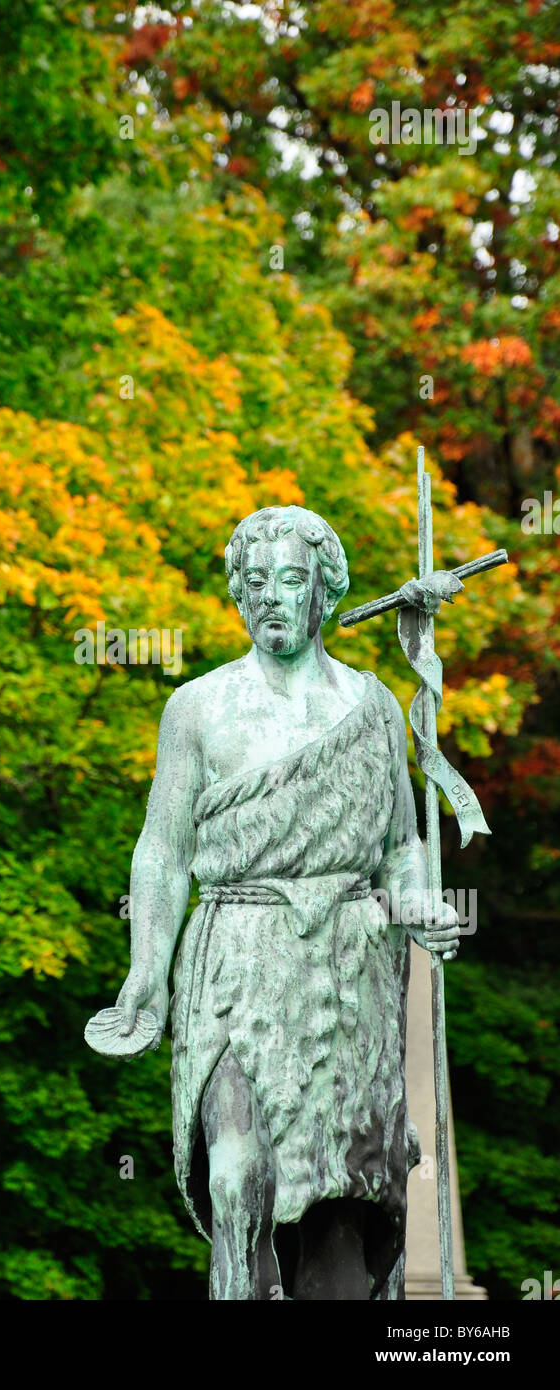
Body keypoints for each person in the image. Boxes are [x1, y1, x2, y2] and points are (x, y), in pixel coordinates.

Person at [115, 505, 459, 1300]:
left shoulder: (370, 709)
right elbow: (162, 851)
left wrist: (419, 905)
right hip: (235, 956)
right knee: (237, 1174)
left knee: (341, 1207)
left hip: (348, 973)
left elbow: (399, 849)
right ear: (237, 594)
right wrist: (146, 973)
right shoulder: (197, 709)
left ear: (322, 593)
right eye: (256, 582)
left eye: (291, 581)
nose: (271, 597)